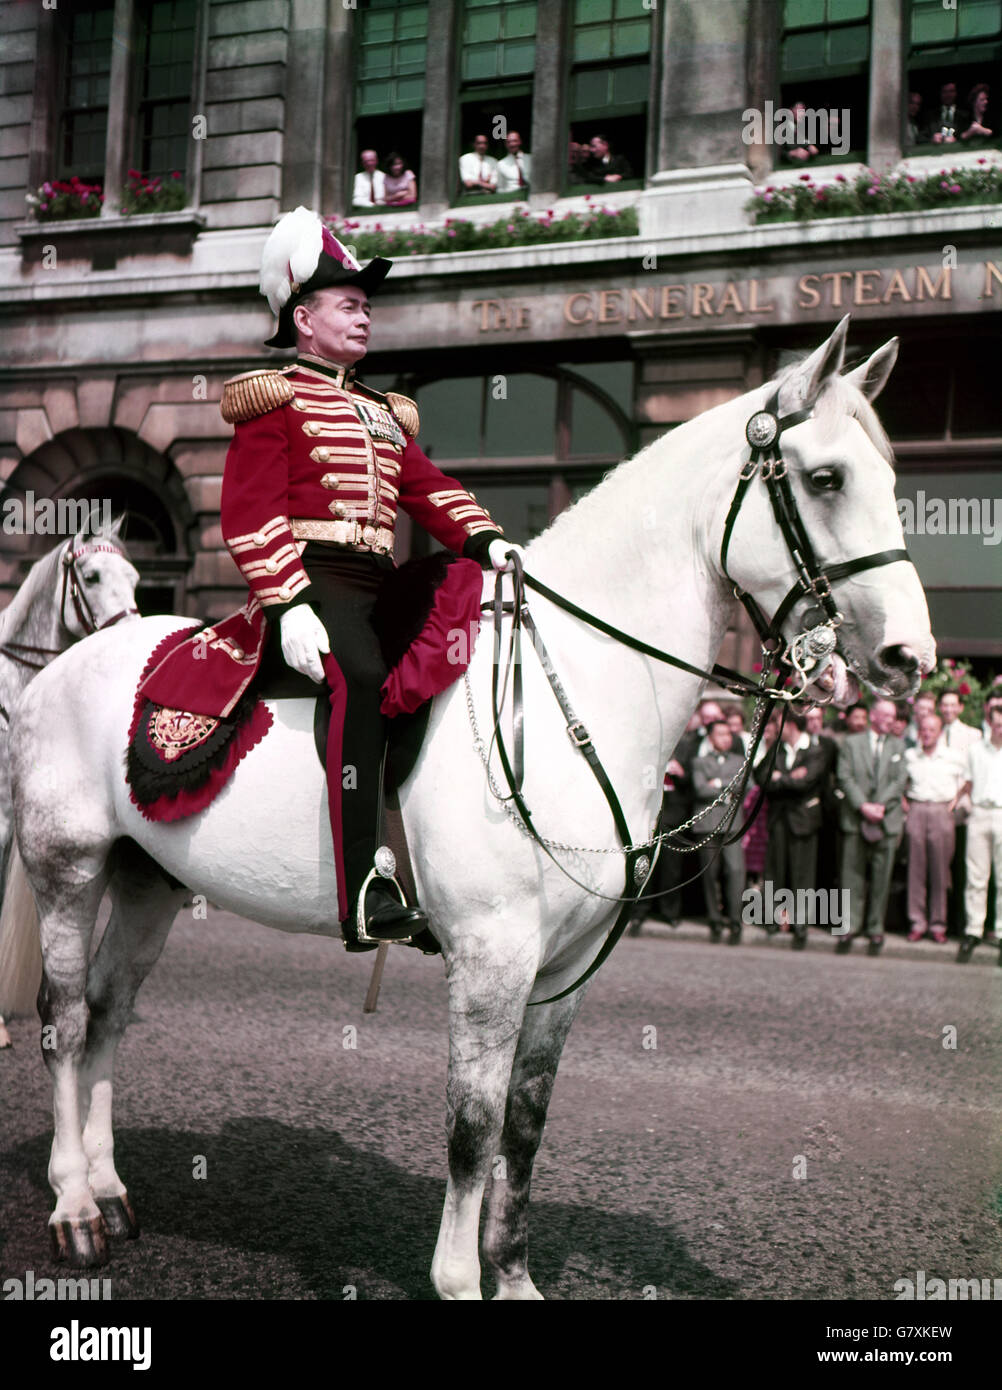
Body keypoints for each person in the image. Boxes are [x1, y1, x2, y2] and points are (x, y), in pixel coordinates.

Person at [209, 209, 519, 946]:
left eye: (366, 306)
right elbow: (249, 516)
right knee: (361, 673)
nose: (364, 316)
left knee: (460, 634)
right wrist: (287, 604)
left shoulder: (383, 413)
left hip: (378, 577)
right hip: (315, 582)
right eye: (349, 304)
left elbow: (429, 488)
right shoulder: (273, 399)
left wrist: (487, 542)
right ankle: (366, 886)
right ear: (303, 318)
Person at [836, 698, 909, 955]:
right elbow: (844, 776)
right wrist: (863, 806)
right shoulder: (851, 743)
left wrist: (879, 805)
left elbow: (899, 780)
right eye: (887, 716)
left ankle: (875, 927)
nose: (892, 721)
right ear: (874, 716)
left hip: (886, 820)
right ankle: (850, 924)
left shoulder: (899, 745)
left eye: (894, 717)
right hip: (857, 819)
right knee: (851, 875)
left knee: (881, 878)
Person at [753, 710, 828, 947]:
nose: (776, 729)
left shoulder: (815, 751)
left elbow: (806, 782)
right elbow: (760, 776)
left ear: (792, 725)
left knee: (802, 874)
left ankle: (800, 923)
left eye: (779, 724)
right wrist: (787, 777)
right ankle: (773, 920)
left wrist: (779, 778)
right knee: (775, 870)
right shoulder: (777, 749)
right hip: (779, 819)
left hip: (803, 820)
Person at [904, 713, 966, 943]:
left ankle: (938, 924)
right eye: (924, 729)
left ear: (940, 733)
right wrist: (906, 806)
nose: (927, 733)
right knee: (916, 870)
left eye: (932, 729)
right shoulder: (910, 756)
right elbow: (902, 784)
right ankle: (917, 922)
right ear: (919, 731)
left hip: (942, 811)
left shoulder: (953, 757)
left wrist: (953, 805)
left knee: (940, 871)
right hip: (917, 809)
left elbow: (966, 784)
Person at [955, 703, 1002, 963]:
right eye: (997, 723)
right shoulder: (975, 751)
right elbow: (968, 783)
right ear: (989, 722)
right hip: (980, 813)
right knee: (976, 876)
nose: (1001, 728)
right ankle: (974, 930)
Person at [692, 721, 747, 943]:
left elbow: (745, 784)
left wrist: (716, 783)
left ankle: (735, 921)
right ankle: (715, 919)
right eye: (721, 734)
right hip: (707, 825)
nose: (726, 738)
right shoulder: (699, 762)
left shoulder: (739, 761)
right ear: (711, 738)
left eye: (728, 734)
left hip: (732, 824)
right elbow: (700, 788)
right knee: (710, 874)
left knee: (735, 871)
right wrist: (727, 788)